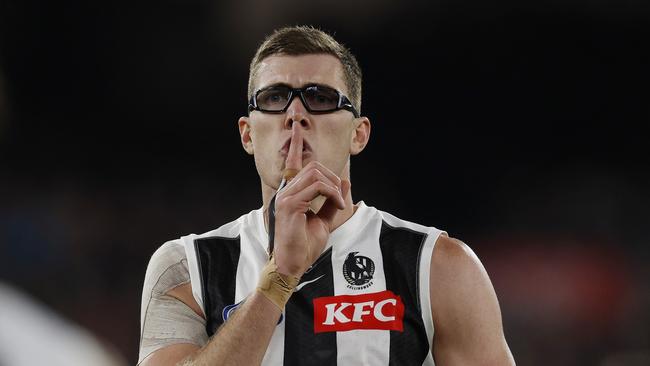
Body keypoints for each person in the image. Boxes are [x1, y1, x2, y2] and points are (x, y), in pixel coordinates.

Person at [138, 25, 515, 366]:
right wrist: (279, 279)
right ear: (248, 134)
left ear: (359, 134)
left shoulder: (437, 266)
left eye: (320, 98)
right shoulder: (187, 268)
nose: (296, 114)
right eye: (274, 98)